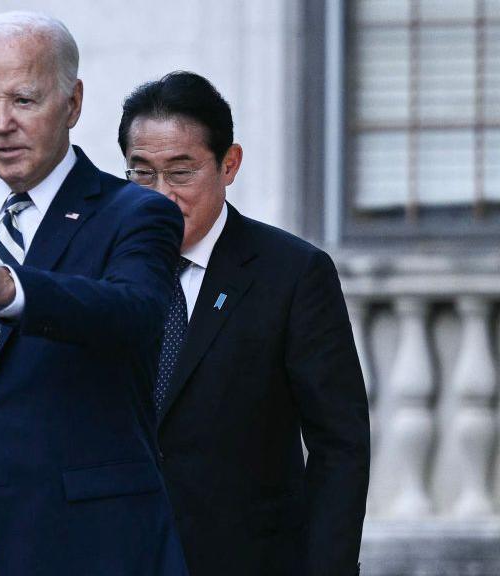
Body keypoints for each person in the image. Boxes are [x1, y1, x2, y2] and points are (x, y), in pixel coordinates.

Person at [0, 12, 188, 575]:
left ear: (73, 104)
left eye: (24, 101)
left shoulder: (137, 212)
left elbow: (136, 313)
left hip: (89, 545)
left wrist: (11, 287)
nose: (1, 124)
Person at [119, 71, 370, 576]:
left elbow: (339, 446)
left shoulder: (292, 274)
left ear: (228, 164)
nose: (159, 195)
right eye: (142, 174)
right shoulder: (102, 266)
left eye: (181, 173)